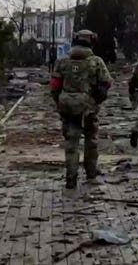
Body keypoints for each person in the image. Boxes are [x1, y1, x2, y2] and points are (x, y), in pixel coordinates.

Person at [50, 29, 113, 189]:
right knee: (91, 141)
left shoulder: (62, 62)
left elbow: (54, 86)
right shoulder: (96, 61)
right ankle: (91, 172)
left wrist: (60, 101)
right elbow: (106, 83)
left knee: (71, 143)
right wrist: (97, 99)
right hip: (88, 107)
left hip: (67, 108)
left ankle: (71, 178)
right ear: (91, 42)